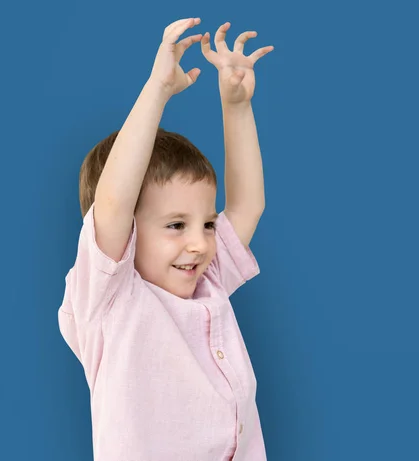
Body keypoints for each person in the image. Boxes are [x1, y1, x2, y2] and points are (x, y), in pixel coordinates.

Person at [58, 17, 273, 460]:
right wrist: (158, 88)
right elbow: (115, 203)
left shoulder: (207, 282)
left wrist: (236, 105)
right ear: (130, 233)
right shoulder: (109, 301)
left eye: (207, 224)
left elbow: (248, 205)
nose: (199, 243)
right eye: (176, 225)